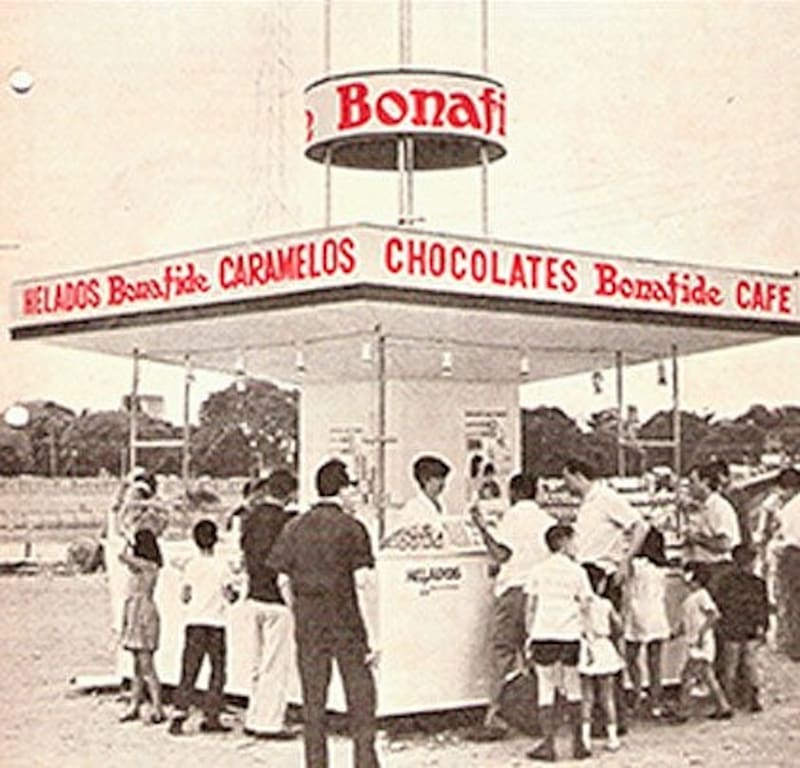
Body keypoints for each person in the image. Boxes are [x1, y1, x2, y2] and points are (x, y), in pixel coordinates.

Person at [267, 459, 380, 768]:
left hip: (310, 626)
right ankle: (365, 763)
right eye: (351, 488)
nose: (353, 495)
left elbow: (282, 579)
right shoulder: (353, 528)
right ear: (341, 489)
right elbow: (363, 583)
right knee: (361, 699)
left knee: (313, 703)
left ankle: (316, 764)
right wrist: (375, 635)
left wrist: (299, 609)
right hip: (348, 625)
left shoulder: (294, 527)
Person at [562, 457, 647, 733]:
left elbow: (639, 526)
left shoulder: (606, 498)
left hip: (603, 574)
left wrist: (625, 561)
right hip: (588, 572)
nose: (565, 485)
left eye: (567, 478)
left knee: (606, 645)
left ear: (578, 475)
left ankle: (615, 716)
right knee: (591, 645)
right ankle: (601, 714)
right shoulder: (589, 503)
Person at [469, 473, 553, 739]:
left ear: (514, 493)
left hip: (514, 590)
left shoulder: (512, 518)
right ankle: (540, 715)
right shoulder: (547, 520)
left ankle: (495, 716)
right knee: (535, 655)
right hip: (540, 592)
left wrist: (482, 529)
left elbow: (502, 554)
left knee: (502, 652)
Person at [524, 524, 593, 762]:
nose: (576, 545)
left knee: (546, 687)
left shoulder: (538, 570)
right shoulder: (578, 572)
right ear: (563, 542)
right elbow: (586, 606)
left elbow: (531, 607)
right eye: (574, 540)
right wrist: (588, 635)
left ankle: (548, 745)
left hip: (544, 633)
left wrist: (529, 635)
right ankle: (578, 743)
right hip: (570, 634)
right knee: (573, 686)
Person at [240, 469, 298, 738]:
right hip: (277, 599)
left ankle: (254, 717)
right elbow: (284, 567)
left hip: (254, 595)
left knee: (256, 662)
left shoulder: (250, 518)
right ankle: (271, 722)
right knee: (275, 664)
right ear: (289, 493)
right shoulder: (287, 522)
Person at [169, 520, 239, 736]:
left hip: (195, 622)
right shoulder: (222, 565)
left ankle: (179, 714)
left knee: (189, 669)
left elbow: (185, 595)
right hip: (216, 623)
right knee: (217, 671)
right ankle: (212, 715)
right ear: (216, 539)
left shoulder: (191, 565)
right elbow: (230, 595)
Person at [670, 563, 732, 723]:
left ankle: (683, 710)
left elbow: (714, 615)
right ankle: (723, 706)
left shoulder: (702, 595)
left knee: (687, 676)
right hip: (695, 642)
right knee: (708, 677)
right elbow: (687, 623)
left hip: (701, 643)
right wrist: (676, 634)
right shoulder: (691, 598)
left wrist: (701, 633)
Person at [118, 528, 165, 724]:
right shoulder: (146, 566)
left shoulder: (148, 566)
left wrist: (126, 539)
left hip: (142, 614)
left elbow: (122, 556)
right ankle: (135, 704)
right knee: (137, 666)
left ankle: (157, 706)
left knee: (146, 666)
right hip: (137, 611)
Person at [713, 544, 769, 711]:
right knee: (750, 663)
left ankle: (729, 700)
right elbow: (762, 607)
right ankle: (754, 698)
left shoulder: (725, 582)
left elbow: (720, 604)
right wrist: (763, 626)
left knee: (730, 665)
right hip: (750, 626)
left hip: (732, 626)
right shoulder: (758, 583)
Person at [623, 527, 671, 719]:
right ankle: (655, 702)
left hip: (637, 610)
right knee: (655, 661)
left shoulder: (635, 564)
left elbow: (625, 586)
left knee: (632, 656)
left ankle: (637, 693)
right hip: (657, 611)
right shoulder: (663, 568)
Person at [578, 563, 625, 754]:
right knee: (607, 696)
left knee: (586, 697)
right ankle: (612, 737)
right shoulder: (606, 604)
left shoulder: (578, 605)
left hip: (585, 647)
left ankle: (585, 738)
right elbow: (619, 627)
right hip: (603, 646)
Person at [772, 466, 800, 660]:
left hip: (793, 556)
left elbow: (788, 536)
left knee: (790, 601)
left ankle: (793, 645)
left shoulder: (789, 508)